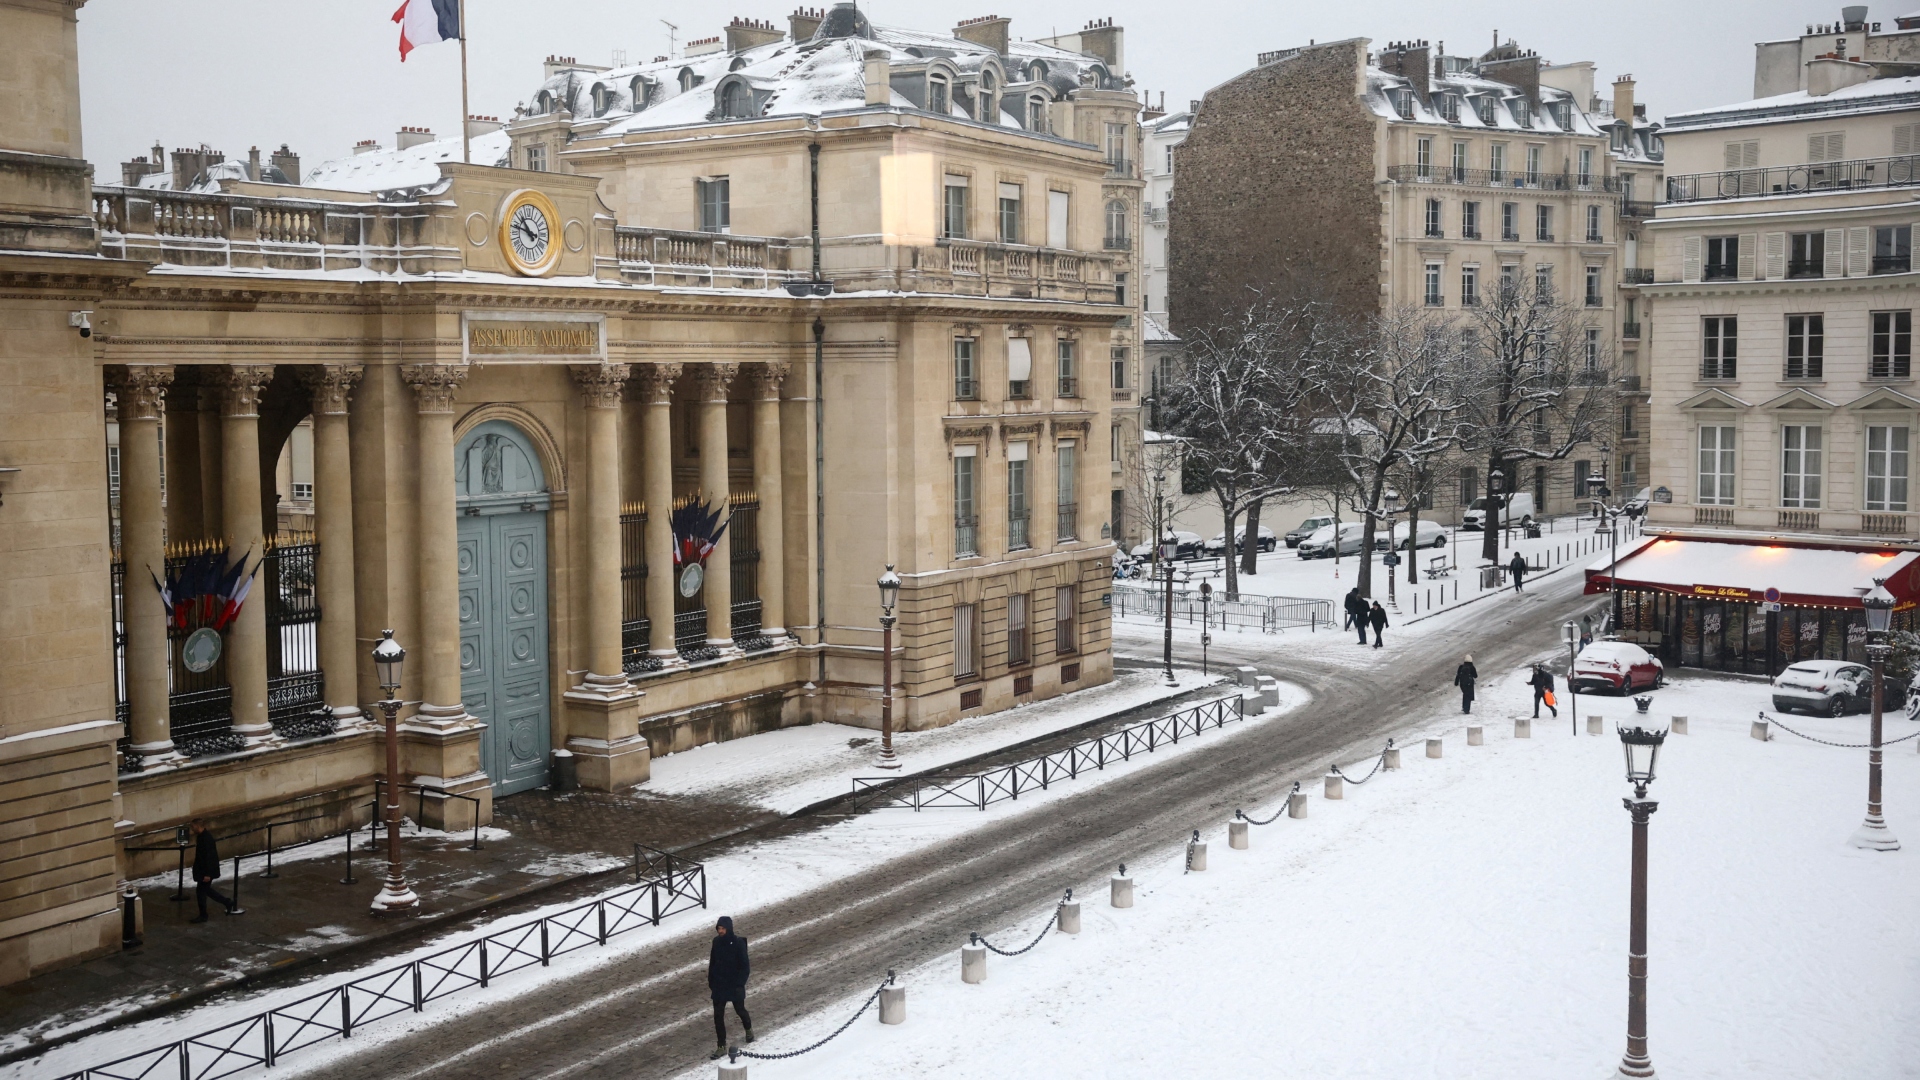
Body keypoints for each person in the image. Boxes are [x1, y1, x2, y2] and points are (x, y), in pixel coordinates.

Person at [709, 916, 754, 1059]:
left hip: (734, 984)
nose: (720, 931)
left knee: (740, 1010)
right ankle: (721, 1046)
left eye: (722, 928)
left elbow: (745, 966)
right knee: (718, 1016)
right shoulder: (716, 942)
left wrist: (739, 983)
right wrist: (712, 981)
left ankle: (748, 1029)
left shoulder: (739, 943)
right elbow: (713, 963)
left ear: (729, 928)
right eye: (719, 928)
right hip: (719, 985)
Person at [189, 819, 240, 923]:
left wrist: (208, 874)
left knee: (202, 891)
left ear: (198, 826)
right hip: (203, 870)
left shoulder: (206, 838)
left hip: (206, 872)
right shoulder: (202, 837)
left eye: (193, 827)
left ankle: (204, 915)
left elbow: (210, 857)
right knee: (205, 891)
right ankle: (226, 902)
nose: (191, 829)